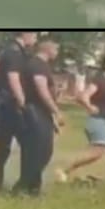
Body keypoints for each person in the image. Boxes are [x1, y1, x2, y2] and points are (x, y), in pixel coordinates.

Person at [60, 53, 105, 187]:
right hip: (99, 120)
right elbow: (82, 96)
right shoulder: (99, 80)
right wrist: (89, 107)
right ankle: (65, 170)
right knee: (96, 153)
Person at [13, 39, 64, 196]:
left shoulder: (43, 65)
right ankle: (21, 187)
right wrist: (56, 111)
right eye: (56, 49)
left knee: (44, 151)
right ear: (48, 48)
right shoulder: (36, 65)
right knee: (37, 151)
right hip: (34, 111)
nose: (57, 52)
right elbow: (42, 90)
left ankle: (34, 188)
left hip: (42, 112)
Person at [0, 32, 38, 191]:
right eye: (34, 34)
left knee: (5, 146)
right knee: (22, 144)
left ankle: (0, 184)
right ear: (25, 34)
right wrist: (23, 103)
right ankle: (23, 185)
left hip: (8, 105)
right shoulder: (14, 53)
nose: (35, 38)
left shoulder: (18, 52)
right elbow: (13, 79)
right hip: (12, 105)